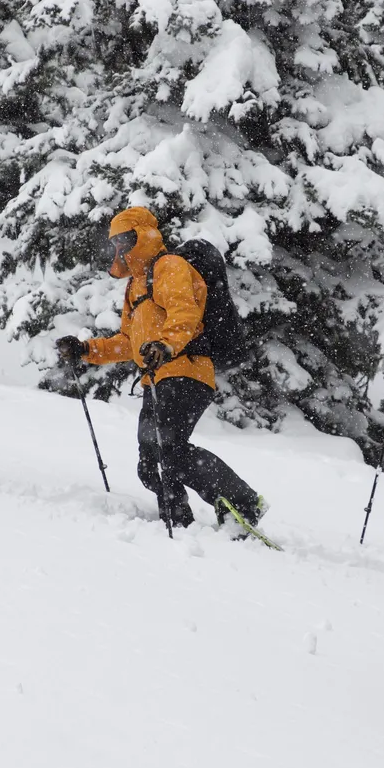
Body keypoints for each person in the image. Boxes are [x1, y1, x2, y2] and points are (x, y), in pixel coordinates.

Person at [55, 206, 264, 531]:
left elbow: (185, 313)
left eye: (125, 239)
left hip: (186, 371)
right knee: (150, 463)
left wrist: (166, 345)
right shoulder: (135, 286)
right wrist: (86, 350)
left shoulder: (169, 266)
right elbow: (129, 342)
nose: (119, 247)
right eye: (115, 242)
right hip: (156, 378)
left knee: (171, 451)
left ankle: (244, 502)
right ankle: (178, 524)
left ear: (142, 236)